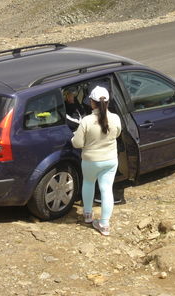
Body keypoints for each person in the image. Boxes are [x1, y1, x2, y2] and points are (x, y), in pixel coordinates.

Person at [71, 86, 122, 236]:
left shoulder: (86, 121)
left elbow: (77, 143)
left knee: (88, 183)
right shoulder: (116, 118)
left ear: (92, 103)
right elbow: (117, 134)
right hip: (110, 160)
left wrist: (74, 136)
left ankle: (87, 215)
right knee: (106, 189)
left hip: (90, 161)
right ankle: (104, 224)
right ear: (108, 101)